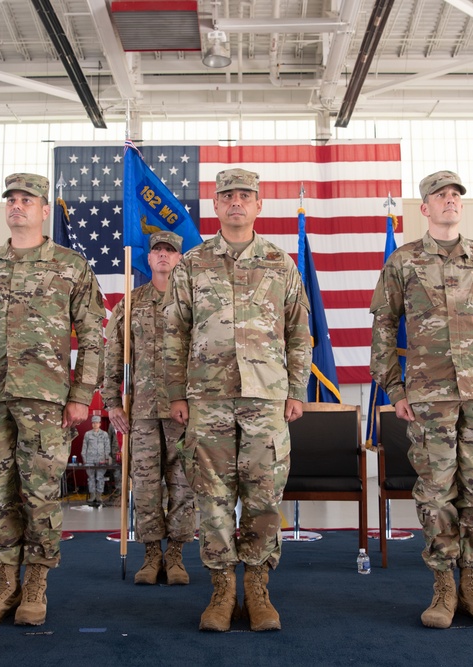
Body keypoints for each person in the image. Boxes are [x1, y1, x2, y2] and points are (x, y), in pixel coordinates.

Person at [369, 170, 473, 629]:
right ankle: (443, 587)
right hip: (428, 396)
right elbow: (382, 328)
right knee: (436, 493)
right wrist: (395, 390)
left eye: (456, 194)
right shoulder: (404, 261)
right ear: (425, 208)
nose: (450, 200)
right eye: (441, 195)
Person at [0, 172, 106, 627]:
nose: (17, 206)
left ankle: (36, 581)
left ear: (43, 210)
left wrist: (81, 395)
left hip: (46, 399)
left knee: (39, 493)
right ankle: (3, 583)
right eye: (12, 200)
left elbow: (93, 336)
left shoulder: (70, 265)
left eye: (27, 200)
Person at [164, 168, 311, 632]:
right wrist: (174, 393)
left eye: (245, 196)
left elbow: (298, 331)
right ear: (215, 203)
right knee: (211, 496)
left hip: (266, 397)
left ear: (258, 205)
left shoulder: (279, 263)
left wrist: (296, 389)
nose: (236, 203)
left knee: (265, 495)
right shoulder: (192, 263)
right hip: (206, 397)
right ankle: (223, 588)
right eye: (227, 195)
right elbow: (174, 332)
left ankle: (258, 588)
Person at [103, 231, 195, 586]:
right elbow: (114, 356)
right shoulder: (131, 303)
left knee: (183, 485)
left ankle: (176, 555)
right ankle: (152, 553)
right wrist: (112, 403)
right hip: (140, 409)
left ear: (179, 258)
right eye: (157, 250)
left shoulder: (190, 302)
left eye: (170, 251)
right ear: (149, 257)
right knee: (144, 485)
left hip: (181, 408)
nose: (162, 255)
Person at [81, 415, 111, 507]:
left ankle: (99, 496)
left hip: (101, 459)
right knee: (91, 478)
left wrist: (106, 458)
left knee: (100, 478)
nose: (95, 424)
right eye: (93, 423)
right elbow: (84, 447)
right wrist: (84, 459)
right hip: (90, 459)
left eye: (97, 423)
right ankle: (92, 496)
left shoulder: (104, 434)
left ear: (100, 424)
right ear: (91, 424)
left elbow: (107, 447)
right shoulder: (87, 434)